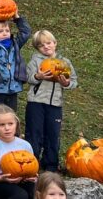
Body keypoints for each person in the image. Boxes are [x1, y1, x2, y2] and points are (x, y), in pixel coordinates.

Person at [26, 30, 77, 172]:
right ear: (37, 48)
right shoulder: (35, 61)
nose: (46, 47)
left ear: (55, 43)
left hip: (55, 104)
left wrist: (66, 83)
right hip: (36, 102)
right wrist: (38, 76)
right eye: (42, 45)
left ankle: (50, 164)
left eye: (48, 43)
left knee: (53, 134)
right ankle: (32, 161)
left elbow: (73, 81)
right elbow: (28, 78)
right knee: (34, 132)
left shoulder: (64, 62)